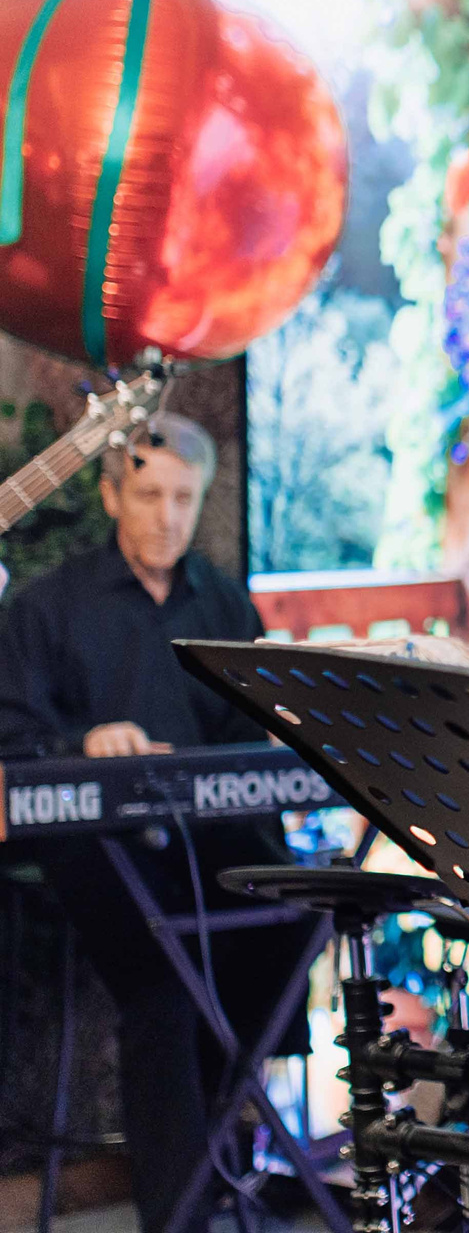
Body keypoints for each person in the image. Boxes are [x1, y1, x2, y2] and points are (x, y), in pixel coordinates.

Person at [0, 413, 310, 1233]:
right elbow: (10, 735)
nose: (168, 516)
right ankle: (182, 1213)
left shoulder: (225, 603)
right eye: (149, 495)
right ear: (112, 496)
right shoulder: (47, 607)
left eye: (184, 497)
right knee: (165, 982)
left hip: (207, 836)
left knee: (296, 921)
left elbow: (250, 736)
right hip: (90, 844)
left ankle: (231, 1150)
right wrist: (83, 744)